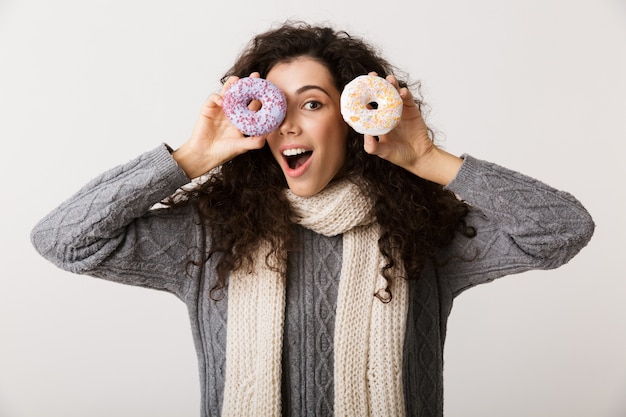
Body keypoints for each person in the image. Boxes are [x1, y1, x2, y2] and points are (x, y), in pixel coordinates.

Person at [31, 21, 594, 417]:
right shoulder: (208, 235)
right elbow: (62, 240)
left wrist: (428, 159)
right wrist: (189, 159)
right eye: (275, 104)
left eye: (313, 103)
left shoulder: (422, 233)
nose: (289, 125)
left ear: (352, 117)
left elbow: (563, 228)